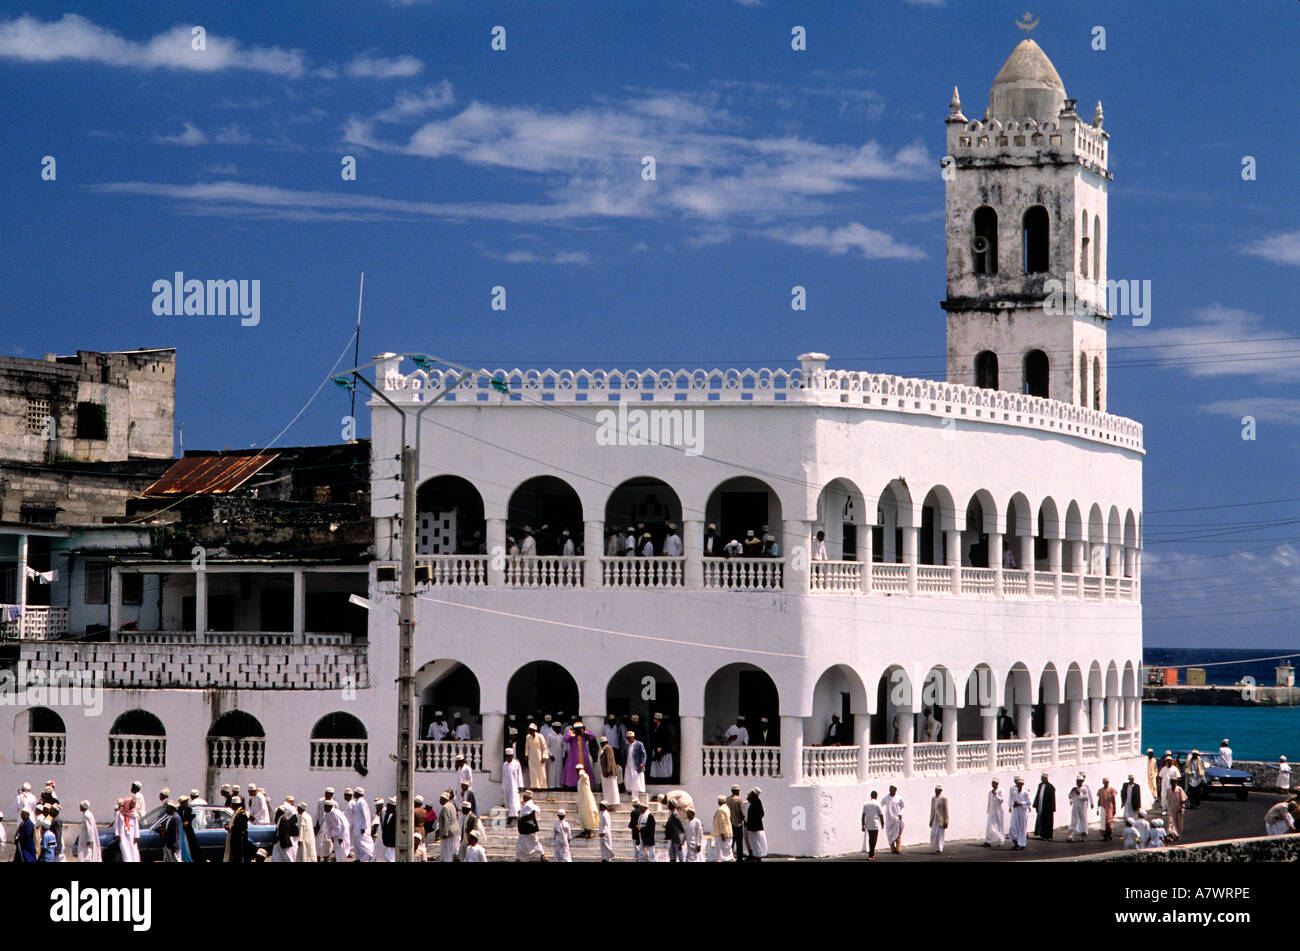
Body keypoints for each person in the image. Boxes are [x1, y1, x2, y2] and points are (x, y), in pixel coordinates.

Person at [563, 721, 597, 788]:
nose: (579, 730)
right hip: (573, 756)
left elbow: (592, 736)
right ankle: (573, 785)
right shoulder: (572, 736)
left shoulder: (584, 735)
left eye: (580, 728)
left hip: (583, 755)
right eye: (577, 729)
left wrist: (584, 730)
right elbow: (565, 739)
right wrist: (571, 732)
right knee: (573, 770)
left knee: (585, 769)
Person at [516, 790, 545, 862]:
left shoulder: (527, 806)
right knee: (532, 842)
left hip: (527, 828)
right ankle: (519, 858)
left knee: (525, 843)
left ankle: (542, 855)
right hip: (529, 827)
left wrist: (519, 814)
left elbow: (523, 816)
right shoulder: (530, 805)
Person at [1066, 773, 1094, 842]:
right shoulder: (1074, 788)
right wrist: (1072, 791)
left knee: (1083, 821)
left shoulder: (1084, 789)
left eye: (1079, 781)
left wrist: (1079, 794)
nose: (1078, 783)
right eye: (1077, 781)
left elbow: (1085, 798)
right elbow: (1070, 796)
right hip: (1075, 807)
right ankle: (1071, 836)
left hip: (1082, 807)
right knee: (1074, 821)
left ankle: (1083, 835)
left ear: (1082, 782)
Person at [499, 747, 523, 825]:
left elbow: (519, 775)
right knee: (508, 801)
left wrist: (520, 785)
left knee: (514, 800)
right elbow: (503, 776)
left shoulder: (516, 764)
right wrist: (503, 786)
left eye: (510, 756)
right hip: (507, 785)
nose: (509, 757)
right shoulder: (504, 765)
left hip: (514, 785)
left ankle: (514, 816)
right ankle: (510, 816)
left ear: (512, 756)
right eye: (507, 756)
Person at [648, 713, 675, 780]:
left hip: (661, 748)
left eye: (655, 719)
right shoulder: (656, 727)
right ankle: (658, 775)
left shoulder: (662, 727)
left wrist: (660, 747)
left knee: (663, 763)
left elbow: (663, 738)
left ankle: (664, 776)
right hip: (656, 747)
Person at [744, 788, 767, 861]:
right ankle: (754, 856)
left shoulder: (755, 803)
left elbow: (756, 815)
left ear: (753, 795)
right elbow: (762, 814)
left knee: (755, 843)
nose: (748, 795)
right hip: (754, 827)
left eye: (750, 794)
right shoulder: (757, 802)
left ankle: (757, 857)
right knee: (754, 843)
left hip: (754, 828)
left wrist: (749, 822)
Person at [435, 793, 459, 863]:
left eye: (441, 799)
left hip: (448, 833)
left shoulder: (445, 807)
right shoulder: (452, 805)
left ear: (444, 799)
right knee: (452, 850)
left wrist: (445, 834)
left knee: (447, 853)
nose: (439, 800)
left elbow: (446, 821)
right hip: (455, 831)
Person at [178, 795, 203, 862]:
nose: (186, 804)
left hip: (189, 832)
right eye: (184, 802)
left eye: (186, 802)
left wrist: (187, 822)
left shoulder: (189, 810)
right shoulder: (179, 810)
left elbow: (189, 818)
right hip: (182, 832)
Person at [525, 723, 550, 791]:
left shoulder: (540, 736)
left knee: (541, 772)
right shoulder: (528, 737)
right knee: (533, 772)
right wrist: (526, 755)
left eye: (531, 730)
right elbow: (527, 747)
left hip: (539, 757)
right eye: (529, 730)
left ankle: (542, 787)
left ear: (534, 730)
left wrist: (544, 756)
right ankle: (534, 786)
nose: (530, 732)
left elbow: (545, 747)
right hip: (531, 757)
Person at [597, 736, 621, 806]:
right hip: (606, 772)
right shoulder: (604, 749)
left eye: (603, 743)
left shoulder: (608, 748)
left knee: (612, 787)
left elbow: (609, 760)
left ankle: (613, 801)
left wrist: (608, 771)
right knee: (608, 788)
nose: (602, 744)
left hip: (609, 772)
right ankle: (609, 801)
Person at [224, 796, 249, 863]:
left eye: (232, 805)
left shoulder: (241, 814)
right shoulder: (236, 813)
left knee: (239, 857)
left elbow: (240, 827)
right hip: (235, 839)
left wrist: (230, 828)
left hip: (239, 840)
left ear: (235, 805)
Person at [115, 798, 140, 863]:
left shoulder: (134, 814)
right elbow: (117, 825)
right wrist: (117, 834)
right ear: (127, 804)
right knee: (125, 850)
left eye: (133, 804)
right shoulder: (119, 813)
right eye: (131, 804)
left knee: (133, 850)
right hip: (123, 835)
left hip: (132, 836)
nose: (132, 805)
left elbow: (136, 826)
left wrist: (136, 836)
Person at [1008, 777, 1031, 850]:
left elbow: (1029, 802)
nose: (1018, 786)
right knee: (1013, 827)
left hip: (1023, 812)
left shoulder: (1025, 792)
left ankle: (1022, 844)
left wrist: (1021, 804)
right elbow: (1012, 800)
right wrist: (1012, 805)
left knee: (1022, 828)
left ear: (1022, 785)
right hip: (1016, 812)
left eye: (1020, 784)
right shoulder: (1014, 792)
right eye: (1017, 784)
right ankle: (1016, 841)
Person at [624, 730, 647, 800]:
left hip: (636, 765)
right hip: (628, 764)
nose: (629, 739)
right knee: (628, 778)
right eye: (628, 738)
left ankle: (635, 794)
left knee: (636, 779)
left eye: (630, 738)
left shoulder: (639, 744)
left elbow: (644, 754)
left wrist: (642, 763)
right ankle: (629, 790)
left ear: (633, 737)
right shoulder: (626, 745)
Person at [882, 785, 905, 854]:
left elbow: (903, 807)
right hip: (889, 819)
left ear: (895, 790)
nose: (891, 791)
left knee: (898, 834)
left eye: (892, 790)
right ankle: (892, 848)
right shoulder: (886, 798)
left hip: (897, 819)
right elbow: (881, 804)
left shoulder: (899, 798)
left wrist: (901, 813)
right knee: (890, 834)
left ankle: (898, 848)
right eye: (890, 789)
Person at [1032, 773, 1056, 839]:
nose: (1041, 779)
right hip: (1040, 806)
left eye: (1042, 778)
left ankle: (1047, 835)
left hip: (1047, 808)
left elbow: (1052, 799)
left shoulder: (1050, 787)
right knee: (1040, 820)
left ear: (1046, 779)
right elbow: (1038, 795)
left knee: (1047, 821)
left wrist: (1052, 808)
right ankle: (1041, 833)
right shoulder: (1040, 785)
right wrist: (1036, 805)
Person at [726, 784, 747, 861]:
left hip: (729, 824)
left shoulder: (727, 799)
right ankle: (739, 858)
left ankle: (729, 857)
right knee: (739, 843)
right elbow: (741, 812)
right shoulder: (738, 799)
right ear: (737, 791)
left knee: (731, 842)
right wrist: (745, 820)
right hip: (737, 824)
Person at [862, 790, 884, 859]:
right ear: (876, 796)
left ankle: (871, 853)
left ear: (871, 796)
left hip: (868, 823)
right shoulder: (877, 804)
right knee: (874, 839)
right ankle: (871, 854)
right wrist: (882, 823)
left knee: (870, 839)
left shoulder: (866, 804)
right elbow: (881, 814)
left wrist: (862, 825)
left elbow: (863, 815)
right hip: (876, 824)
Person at [984, 779, 1007, 848]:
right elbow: (989, 802)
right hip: (992, 811)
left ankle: (1000, 840)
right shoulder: (990, 792)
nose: (993, 785)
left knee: (999, 826)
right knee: (989, 826)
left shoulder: (1001, 790)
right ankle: (988, 841)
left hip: (999, 811)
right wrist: (988, 811)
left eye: (994, 783)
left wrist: (996, 795)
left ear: (997, 784)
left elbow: (1001, 801)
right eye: (992, 783)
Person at [1164, 778, 1187, 842]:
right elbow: (1168, 799)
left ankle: (1177, 835)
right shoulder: (1168, 790)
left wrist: (1181, 807)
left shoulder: (1179, 789)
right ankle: (1170, 834)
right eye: (1171, 781)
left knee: (1178, 822)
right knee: (1170, 821)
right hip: (1171, 808)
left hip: (1178, 808)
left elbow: (1183, 799)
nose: (1172, 783)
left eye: (1173, 781)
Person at [711, 794, 733, 862]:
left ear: (719, 802)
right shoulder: (726, 808)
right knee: (727, 849)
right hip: (727, 832)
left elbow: (723, 822)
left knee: (722, 851)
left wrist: (723, 833)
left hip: (721, 833)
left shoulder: (721, 810)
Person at [928, 786, 949, 853]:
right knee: (933, 833)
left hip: (941, 819)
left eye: (938, 790)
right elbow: (932, 810)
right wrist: (930, 820)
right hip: (934, 819)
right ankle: (934, 847)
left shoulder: (944, 799)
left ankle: (940, 848)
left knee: (940, 834)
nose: (937, 791)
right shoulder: (933, 799)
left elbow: (946, 810)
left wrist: (946, 821)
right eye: (936, 790)